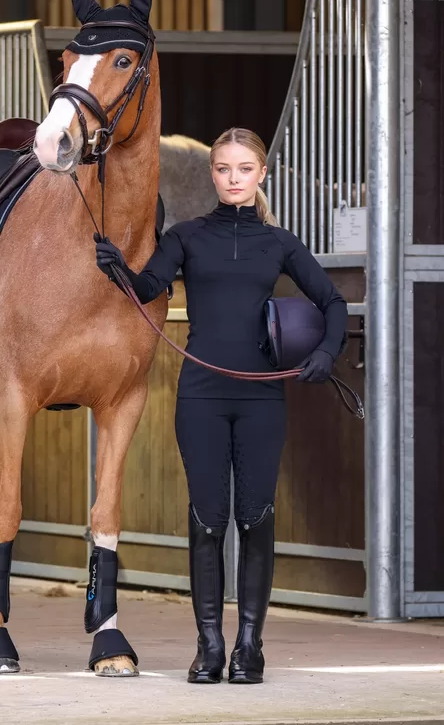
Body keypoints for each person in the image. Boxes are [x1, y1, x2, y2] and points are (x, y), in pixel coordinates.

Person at [94, 127, 347, 684]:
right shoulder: (186, 237)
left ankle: (249, 647)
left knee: (255, 519)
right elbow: (148, 286)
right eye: (224, 169)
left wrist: (328, 352)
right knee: (208, 520)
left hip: (262, 399)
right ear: (212, 174)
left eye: (244, 170)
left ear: (261, 175)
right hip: (201, 397)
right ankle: (209, 646)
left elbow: (333, 300)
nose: (233, 179)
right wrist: (118, 268)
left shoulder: (280, 243)